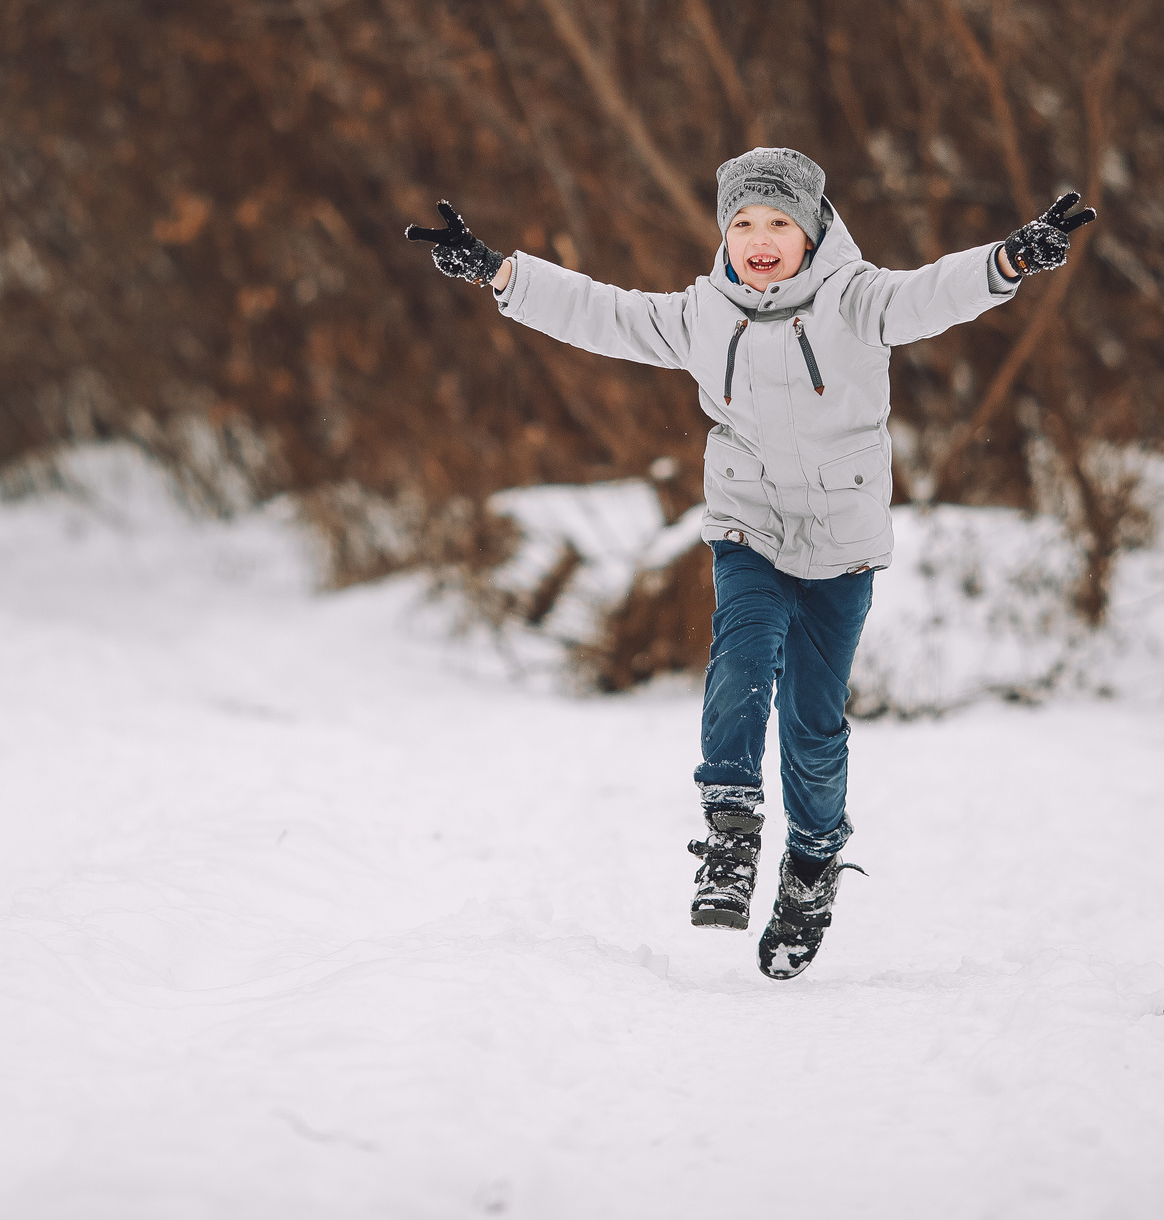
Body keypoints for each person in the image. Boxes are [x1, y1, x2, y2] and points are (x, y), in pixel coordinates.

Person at [406, 149, 1096, 979]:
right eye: (742, 223)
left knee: (812, 727)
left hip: (840, 544)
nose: (759, 239)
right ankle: (729, 830)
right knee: (740, 651)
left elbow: (931, 294)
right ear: (723, 234)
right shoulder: (704, 313)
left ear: (811, 230)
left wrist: (1010, 258)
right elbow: (604, 313)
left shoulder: (855, 298)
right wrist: (498, 272)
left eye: (778, 222)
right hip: (750, 525)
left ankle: (809, 869)